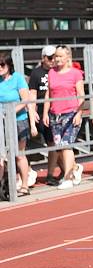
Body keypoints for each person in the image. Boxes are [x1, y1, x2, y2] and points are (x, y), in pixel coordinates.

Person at [42, 45, 85, 190]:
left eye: (60, 56)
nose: (57, 59)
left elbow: (81, 95)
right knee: (59, 147)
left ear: (67, 57)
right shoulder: (51, 73)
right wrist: (45, 113)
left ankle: (68, 177)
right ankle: (75, 168)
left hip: (71, 113)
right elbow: (49, 94)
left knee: (66, 146)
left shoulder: (75, 73)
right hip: (55, 114)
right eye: (56, 56)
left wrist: (79, 113)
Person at [0, 52, 37, 196]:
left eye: (2, 65)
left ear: (9, 65)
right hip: (1, 121)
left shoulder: (18, 78)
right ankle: (4, 187)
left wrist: (11, 111)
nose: (0, 68)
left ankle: (24, 185)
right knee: (2, 155)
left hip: (17, 120)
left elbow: (26, 99)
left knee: (18, 154)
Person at [28, 45, 63, 186]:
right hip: (42, 110)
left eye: (54, 57)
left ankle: (51, 174)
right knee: (47, 143)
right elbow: (32, 94)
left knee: (54, 143)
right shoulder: (36, 73)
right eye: (49, 58)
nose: (52, 60)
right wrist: (33, 111)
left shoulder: (57, 72)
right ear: (43, 58)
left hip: (56, 110)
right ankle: (69, 168)